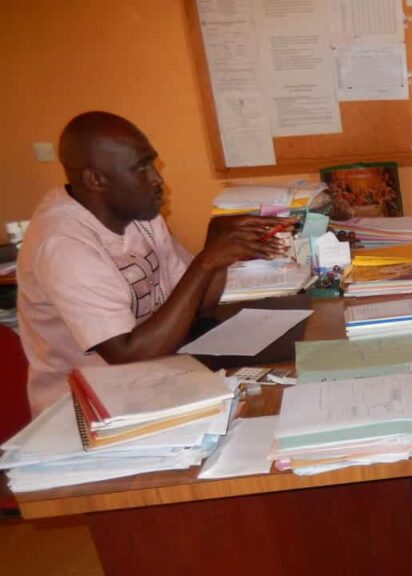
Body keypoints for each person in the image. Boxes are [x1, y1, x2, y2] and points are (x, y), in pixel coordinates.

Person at [17, 111, 291, 415]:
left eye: (153, 164)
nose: (157, 180)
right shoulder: (64, 246)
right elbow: (128, 355)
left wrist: (216, 247)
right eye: (141, 168)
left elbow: (200, 310)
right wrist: (204, 263)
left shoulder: (138, 213)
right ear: (96, 180)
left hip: (152, 381)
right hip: (86, 413)